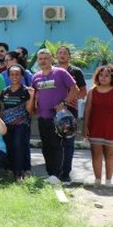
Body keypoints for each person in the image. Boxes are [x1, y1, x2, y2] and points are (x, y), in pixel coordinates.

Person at [32, 48, 78, 184]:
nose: (43, 61)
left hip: (59, 119)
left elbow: (75, 89)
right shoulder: (36, 77)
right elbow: (35, 95)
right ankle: (50, 173)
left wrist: (64, 103)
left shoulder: (61, 72)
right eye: (40, 59)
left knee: (58, 146)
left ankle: (57, 175)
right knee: (46, 146)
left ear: (51, 58)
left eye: (46, 58)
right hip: (43, 117)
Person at [83, 65, 113, 187]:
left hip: (112, 127)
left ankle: (109, 181)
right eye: (101, 75)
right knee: (96, 155)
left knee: (110, 154)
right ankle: (97, 180)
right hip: (95, 127)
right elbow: (87, 111)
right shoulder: (92, 91)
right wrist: (85, 128)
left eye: (107, 76)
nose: (103, 78)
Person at [55, 45, 88, 184]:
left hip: (69, 112)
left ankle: (66, 173)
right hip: (53, 110)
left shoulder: (76, 71)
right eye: (60, 53)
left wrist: (71, 100)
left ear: (69, 56)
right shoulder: (52, 71)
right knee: (54, 143)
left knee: (68, 143)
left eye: (65, 53)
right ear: (56, 56)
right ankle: (54, 171)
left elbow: (83, 91)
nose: (62, 55)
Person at [0, 65, 35, 180]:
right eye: (12, 74)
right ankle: (8, 170)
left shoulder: (26, 91)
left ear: (21, 76)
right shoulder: (5, 91)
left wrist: (32, 97)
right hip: (6, 125)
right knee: (8, 146)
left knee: (18, 146)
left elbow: (29, 110)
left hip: (21, 125)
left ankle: (19, 173)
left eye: (17, 74)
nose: (15, 76)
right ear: (9, 76)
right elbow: (2, 109)